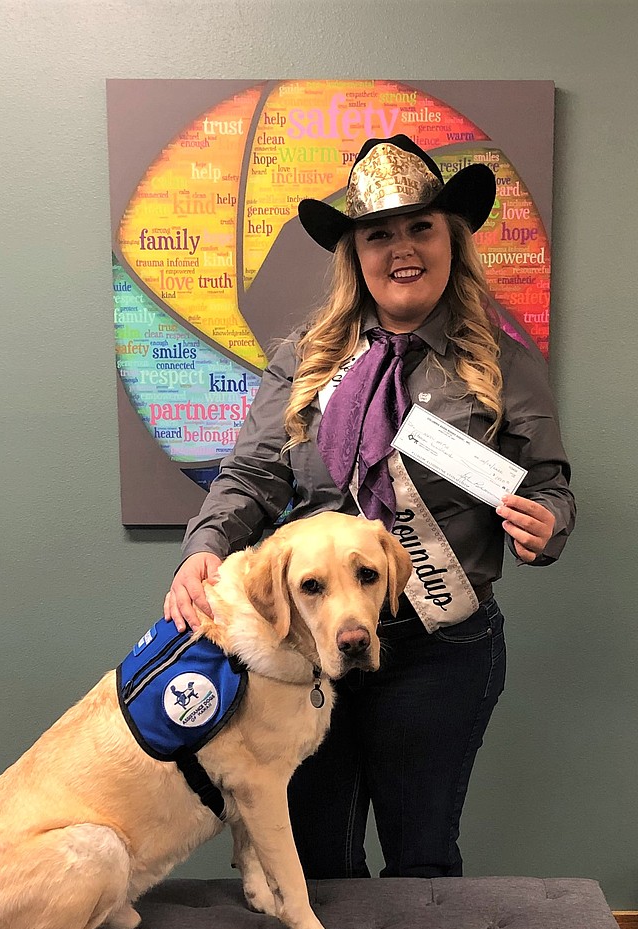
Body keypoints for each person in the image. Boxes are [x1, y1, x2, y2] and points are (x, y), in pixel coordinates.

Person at [163, 134, 575, 879]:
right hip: (307, 648)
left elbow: (549, 484)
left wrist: (546, 525)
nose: (402, 248)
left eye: (421, 227)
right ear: (355, 253)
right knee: (319, 858)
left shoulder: (504, 363)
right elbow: (253, 473)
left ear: (452, 239)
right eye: (379, 233)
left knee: (421, 855)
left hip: (438, 650)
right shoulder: (305, 357)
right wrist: (204, 547)